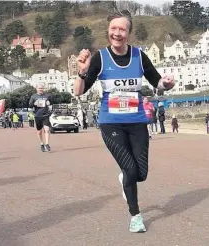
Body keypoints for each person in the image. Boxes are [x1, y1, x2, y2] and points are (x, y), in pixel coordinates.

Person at [73, 9, 175, 233]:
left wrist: (167, 83)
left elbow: (157, 82)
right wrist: (82, 72)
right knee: (130, 170)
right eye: (113, 29)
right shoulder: (100, 57)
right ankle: (135, 215)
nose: (117, 33)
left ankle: (125, 179)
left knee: (141, 174)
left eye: (122, 29)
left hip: (137, 121)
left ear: (128, 33)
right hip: (112, 123)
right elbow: (79, 92)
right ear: (108, 31)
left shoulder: (139, 56)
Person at [29, 84, 52, 152]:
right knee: (39, 132)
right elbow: (30, 105)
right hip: (38, 115)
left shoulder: (47, 95)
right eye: (39, 88)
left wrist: (49, 103)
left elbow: (51, 102)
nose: (41, 89)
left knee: (47, 130)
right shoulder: (33, 97)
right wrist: (34, 104)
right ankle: (42, 144)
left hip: (45, 115)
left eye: (42, 88)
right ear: (36, 89)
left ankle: (47, 144)